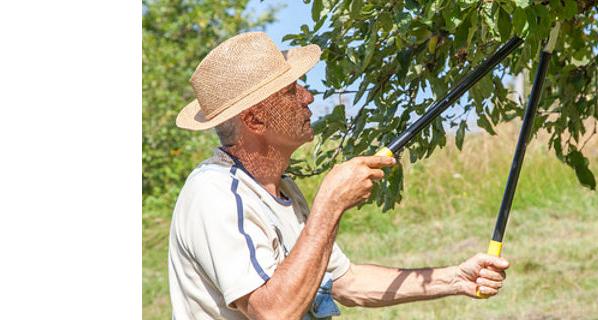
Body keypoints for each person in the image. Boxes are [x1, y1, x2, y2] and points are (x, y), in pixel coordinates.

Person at [168, 32, 510, 320]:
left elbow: (345, 282)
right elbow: (272, 312)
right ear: (255, 120)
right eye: (291, 91)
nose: (308, 96)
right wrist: (329, 206)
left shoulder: (281, 188)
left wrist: (456, 279)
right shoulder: (215, 195)